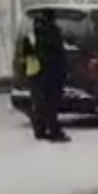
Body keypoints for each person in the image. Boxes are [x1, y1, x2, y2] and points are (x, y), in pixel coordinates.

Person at [28, 10, 70, 143]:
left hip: (36, 72)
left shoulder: (34, 33)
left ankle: (40, 129)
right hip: (52, 73)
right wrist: (63, 71)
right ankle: (53, 130)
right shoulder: (52, 32)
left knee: (40, 103)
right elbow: (58, 54)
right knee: (52, 103)